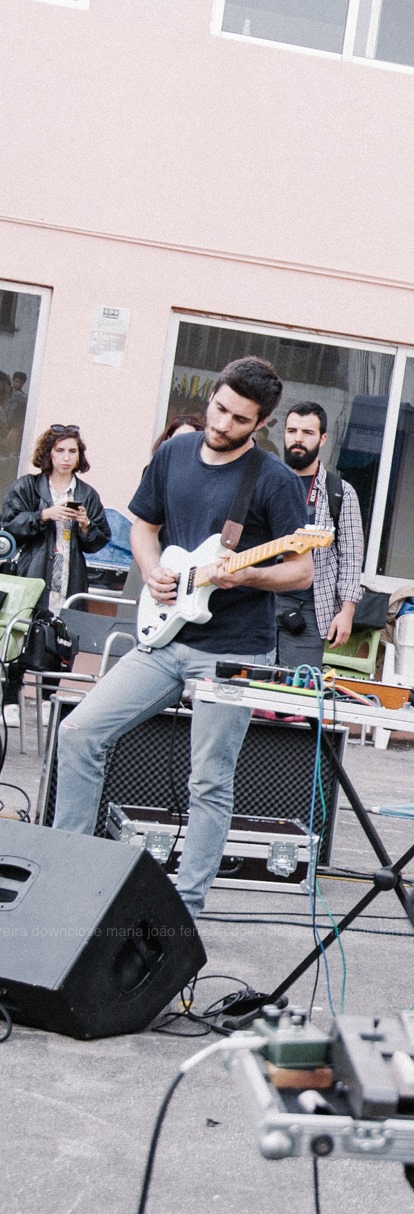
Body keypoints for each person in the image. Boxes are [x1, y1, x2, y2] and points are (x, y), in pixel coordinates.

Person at [54, 357, 313, 918]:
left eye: (239, 420)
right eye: (219, 409)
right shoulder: (174, 452)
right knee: (79, 733)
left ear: (261, 422)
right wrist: (150, 571)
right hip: (164, 638)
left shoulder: (273, 481)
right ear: (212, 395)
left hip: (234, 650)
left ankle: (185, 910)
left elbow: (300, 571)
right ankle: (64, 870)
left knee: (209, 781)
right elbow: (145, 525)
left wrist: (247, 574)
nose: (222, 425)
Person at [0, 424, 112, 724]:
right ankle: (11, 696)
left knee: (64, 636)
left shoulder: (86, 494)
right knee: (23, 631)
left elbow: (100, 540)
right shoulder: (28, 486)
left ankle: (52, 697)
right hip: (33, 572)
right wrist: (44, 515)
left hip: (70, 575)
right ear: (48, 453)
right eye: (59, 450)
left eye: (72, 451)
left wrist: (86, 523)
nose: (66, 457)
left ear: (79, 456)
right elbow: (8, 525)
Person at [274, 402, 362, 669]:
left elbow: (351, 557)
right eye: (292, 430)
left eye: (308, 432)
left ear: (323, 438)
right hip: (259, 604)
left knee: (297, 698)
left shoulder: (340, 492)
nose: (298, 438)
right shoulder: (268, 482)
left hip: (309, 610)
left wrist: (347, 612)